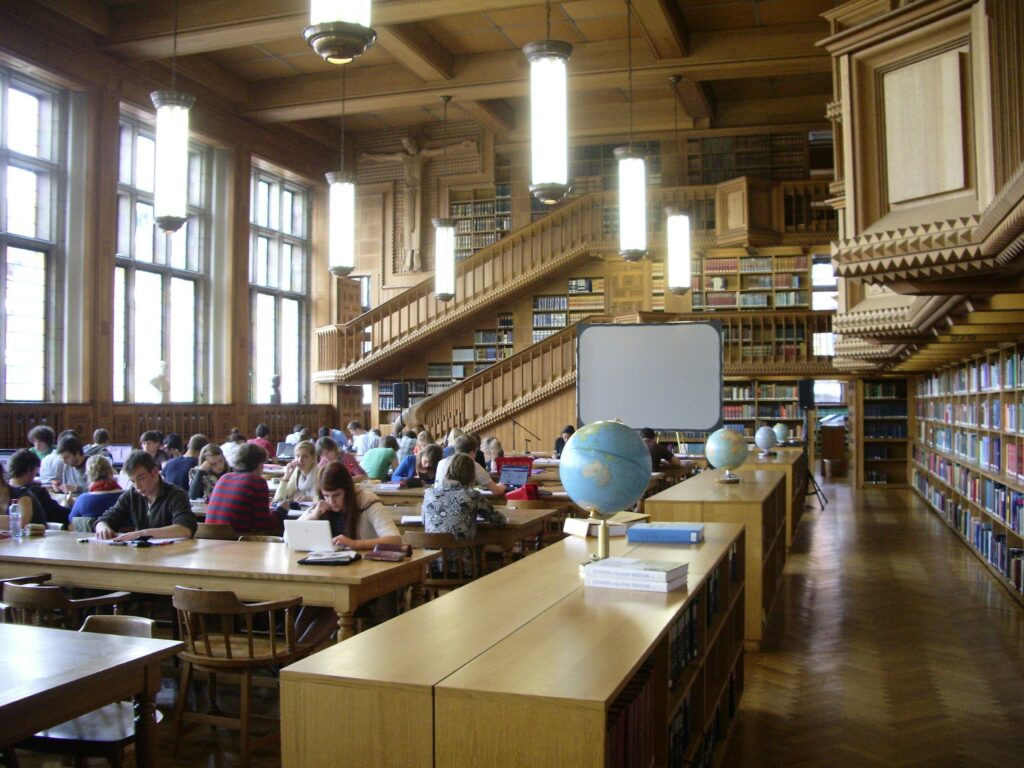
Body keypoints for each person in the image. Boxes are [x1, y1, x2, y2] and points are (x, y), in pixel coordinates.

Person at [423, 454, 505, 574]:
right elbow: (499, 520)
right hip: (463, 567)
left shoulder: (429, 494)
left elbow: (424, 521)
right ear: (471, 475)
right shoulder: (472, 495)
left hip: (432, 566)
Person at [95, 450, 197, 541]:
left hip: (171, 557)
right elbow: (106, 519)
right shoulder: (132, 494)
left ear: (155, 472)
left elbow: (185, 529)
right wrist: (103, 527)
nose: (137, 486)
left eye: (141, 478)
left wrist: (142, 534)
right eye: (132, 481)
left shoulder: (176, 495)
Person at [298, 461, 401, 550]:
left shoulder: (366, 500)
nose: (331, 501)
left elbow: (395, 539)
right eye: (326, 496)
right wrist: (314, 516)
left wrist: (354, 544)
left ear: (347, 491)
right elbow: (289, 536)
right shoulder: (321, 505)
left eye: (337, 495)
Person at [204, 443, 280, 534]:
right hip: (237, 542)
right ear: (258, 464)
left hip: (210, 540)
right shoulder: (257, 482)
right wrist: (281, 511)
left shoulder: (224, 478)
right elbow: (263, 524)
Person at [434, 436, 506, 496]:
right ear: (472, 452)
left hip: (438, 505)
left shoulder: (441, 462)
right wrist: (503, 486)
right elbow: (497, 491)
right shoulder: (473, 465)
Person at [67, 455, 123, 531]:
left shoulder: (83, 500)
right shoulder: (125, 497)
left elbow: (72, 522)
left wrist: (72, 504)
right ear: (111, 471)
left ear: (88, 474)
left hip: (92, 541)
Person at [4, 449, 51, 526]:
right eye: (36, 472)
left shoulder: (7, 492)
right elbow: (58, 514)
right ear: (29, 470)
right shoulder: (36, 491)